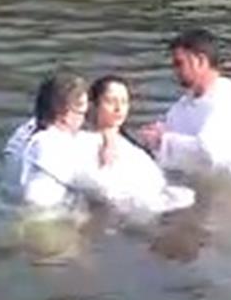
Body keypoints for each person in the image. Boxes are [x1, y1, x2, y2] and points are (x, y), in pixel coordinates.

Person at [139, 29, 231, 176]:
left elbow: (209, 155)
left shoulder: (230, 97)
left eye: (179, 63)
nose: (174, 70)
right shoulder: (184, 105)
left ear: (201, 61)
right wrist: (152, 139)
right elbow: (171, 142)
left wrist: (162, 140)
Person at [83, 75, 195, 216]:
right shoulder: (85, 143)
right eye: (111, 101)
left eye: (124, 102)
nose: (118, 108)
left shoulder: (133, 144)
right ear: (94, 105)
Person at [13, 72, 96, 212]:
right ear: (65, 114)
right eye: (83, 113)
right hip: (46, 218)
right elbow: (96, 186)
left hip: (10, 207)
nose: (83, 120)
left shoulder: (22, 133)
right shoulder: (57, 145)